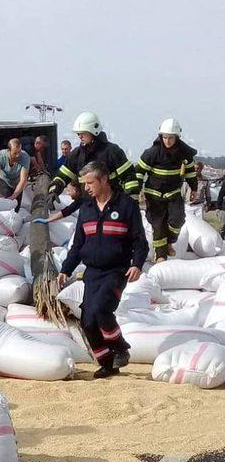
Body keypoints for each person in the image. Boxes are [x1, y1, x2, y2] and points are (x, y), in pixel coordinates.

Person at [57, 161, 149, 379]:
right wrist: (66, 269)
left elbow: (140, 241)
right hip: (92, 273)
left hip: (116, 271)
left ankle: (120, 347)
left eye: (90, 182)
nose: (86, 187)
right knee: (88, 322)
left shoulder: (126, 205)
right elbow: (77, 244)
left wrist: (136, 264)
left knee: (100, 310)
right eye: (84, 183)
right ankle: (107, 364)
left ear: (104, 179)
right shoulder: (86, 208)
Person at [136, 118, 198, 262]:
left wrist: (194, 189)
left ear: (177, 137)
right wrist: (138, 189)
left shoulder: (184, 154)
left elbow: (190, 173)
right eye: (165, 137)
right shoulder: (152, 153)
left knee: (177, 220)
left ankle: (169, 242)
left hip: (173, 193)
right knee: (158, 226)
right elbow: (139, 171)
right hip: (154, 195)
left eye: (171, 138)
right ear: (160, 136)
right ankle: (161, 256)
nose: (168, 141)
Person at [49, 111, 139, 204]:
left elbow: (129, 177)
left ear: (93, 131)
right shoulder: (77, 154)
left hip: (112, 207)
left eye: (83, 133)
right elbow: (62, 176)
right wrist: (53, 190)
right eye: (78, 133)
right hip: (88, 208)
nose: (80, 136)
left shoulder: (112, 151)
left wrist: (132, 204)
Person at [0, 139, 30, 211]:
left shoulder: (25, 157)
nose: (17, 155)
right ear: (8, 151)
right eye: (15, 153)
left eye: (19, 152)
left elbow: (23, 180)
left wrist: (13, 197)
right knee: (5, 205)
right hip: (4, 181)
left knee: (16, 208)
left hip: (17, 183)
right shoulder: (0, 156)